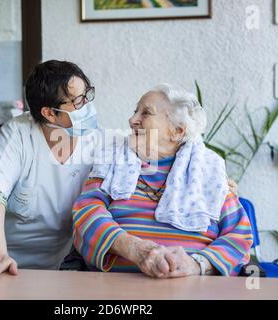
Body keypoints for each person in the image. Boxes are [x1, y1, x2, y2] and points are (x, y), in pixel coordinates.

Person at [72, 84, 253, 278]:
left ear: (177, 131)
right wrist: (133, 248)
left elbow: (238, 234)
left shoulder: (208, 171)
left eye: (146, 113)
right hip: (116, 284)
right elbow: (86, 211)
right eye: (135, 112)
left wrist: (196, 264)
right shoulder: (112, 159)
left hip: (195, 288)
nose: (132, 120)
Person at [0, 60, 99, 281]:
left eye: (87, 95)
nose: (87, 105)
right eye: (78, 101)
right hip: (6, 255)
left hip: (63, 258)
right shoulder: (17, 134)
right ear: (50, 113)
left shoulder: (94, 139)